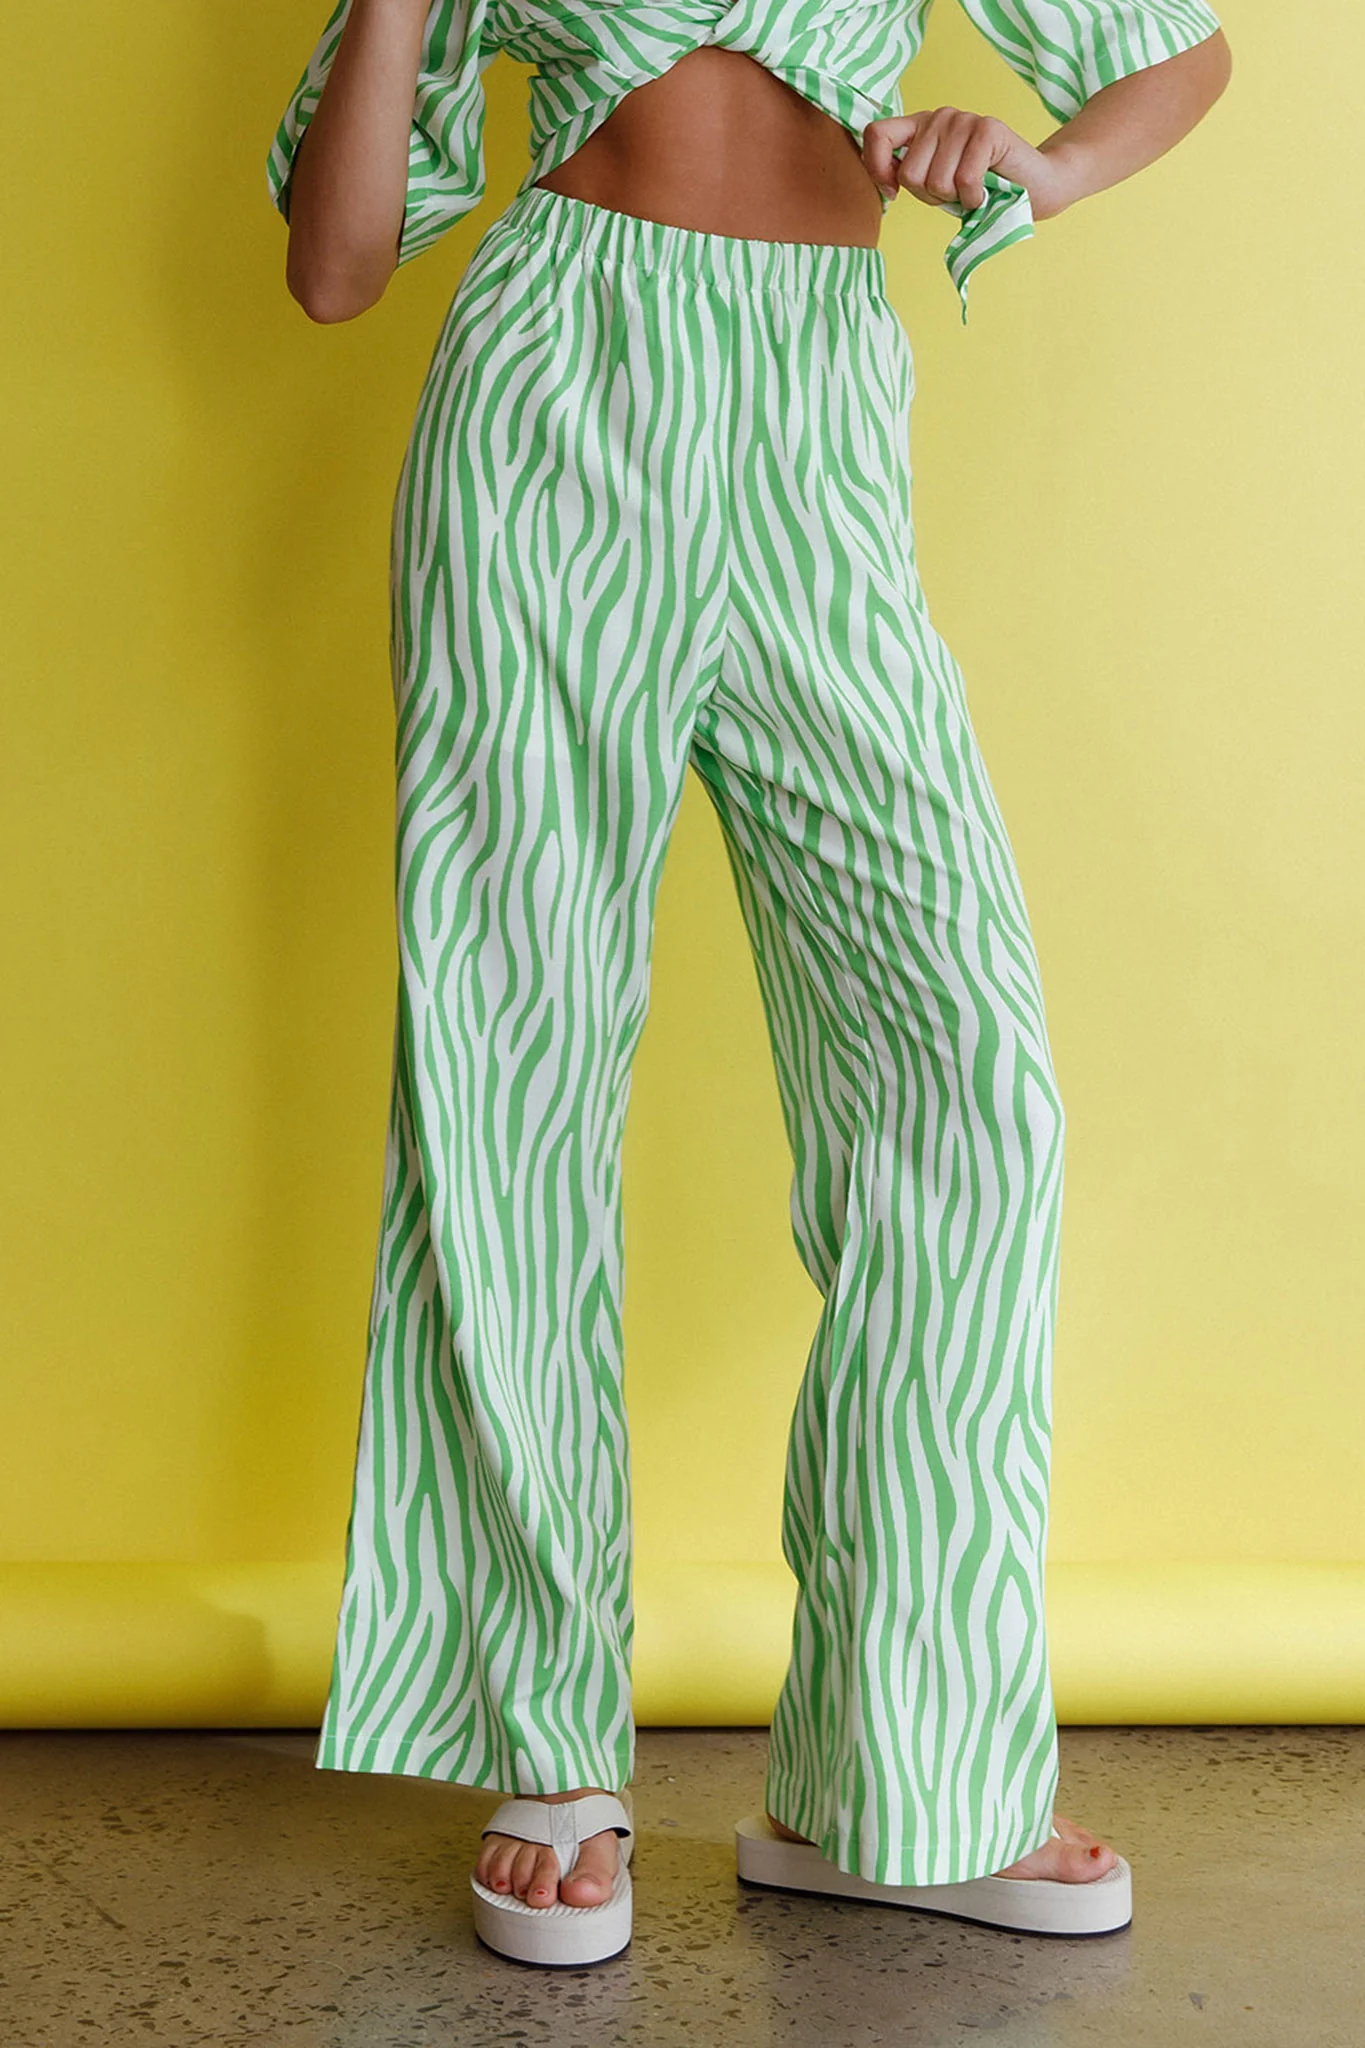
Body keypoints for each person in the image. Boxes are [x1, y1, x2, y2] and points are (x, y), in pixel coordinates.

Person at [268, 0, 1231, 1970]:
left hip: (814, 411)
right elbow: (338, 266)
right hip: (555, 397)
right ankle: (545, 1746)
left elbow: (1173, 52)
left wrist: (1041, 166)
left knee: (970, 1088)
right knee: (509, 1066)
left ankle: (901, 1771)